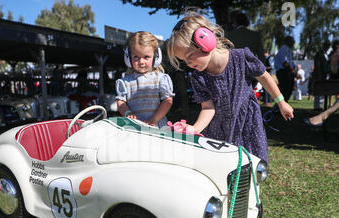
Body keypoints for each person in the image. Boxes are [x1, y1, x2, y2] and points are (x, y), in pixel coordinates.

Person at [166, 13, 294, 162]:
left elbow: (264, 77)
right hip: (218, 129)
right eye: (184, 60)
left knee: (251, 163)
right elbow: (208, 108)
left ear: (207, 40)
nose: (188, 63)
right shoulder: (198, 78)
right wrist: (195, 129)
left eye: (190, 55)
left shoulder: (241, 57)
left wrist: (281, 102)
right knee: (222, 166)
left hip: (248, 124)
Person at [116, 31, 174, 128]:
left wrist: (154, 119)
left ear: (156, 57)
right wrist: (127, 113)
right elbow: (121, 102)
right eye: (136, 57)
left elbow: (167, 100)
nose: (141, 62)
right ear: (128, 58)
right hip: (134, 127)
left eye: (146, 57)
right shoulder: (125, 82)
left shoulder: (161, 79)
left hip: (158, 127)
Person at [274, 36, 296, 102]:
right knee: (284, 91)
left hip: (286, 72)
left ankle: (282, 105)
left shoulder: (287, 50)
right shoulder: (284, 49)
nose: (293, 43)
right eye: (292, 41)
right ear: (287, 41)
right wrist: (292, 71)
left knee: (287, 90)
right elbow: (285, 63)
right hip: (283, 72)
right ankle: (279, 107)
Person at [313, 40, 332, 110]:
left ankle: (321, 106)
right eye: (326, 45)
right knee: (318, 92)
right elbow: (317, 66)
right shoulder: (319, 53)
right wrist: (318, 76)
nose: (327, 47)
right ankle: (316, 107)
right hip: (319, 75)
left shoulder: (330, 53)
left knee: (324, 92)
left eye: (328, 45)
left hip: (327, 75)